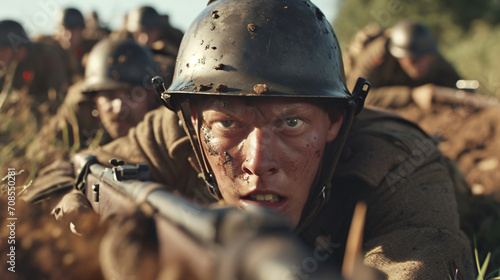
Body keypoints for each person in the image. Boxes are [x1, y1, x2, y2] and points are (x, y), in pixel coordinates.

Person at [27, 1, 474, 279]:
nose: (258, 161)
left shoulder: (400, 166)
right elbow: (68, 173)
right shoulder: (181, 131)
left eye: (292, 123)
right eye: (229, 124)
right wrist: (64, 218)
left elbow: (423, 255)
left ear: (337, 121)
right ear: (193, 122)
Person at [25, 38, 160, 169]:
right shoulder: (81, 107)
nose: (119, 108)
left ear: (151, 96)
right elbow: (40, 154)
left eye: (132, 95)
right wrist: (71, 166)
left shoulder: (165, 120)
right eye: (109, 95)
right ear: (94, 100)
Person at [344, 20, 462, 110]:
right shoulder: (376, 55)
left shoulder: (430, 53)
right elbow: (356, 96)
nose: (420, 65)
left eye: (425, 58)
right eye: (413, 61)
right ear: (398, 56)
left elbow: (457, 84)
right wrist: (411, 95)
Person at [0, 19, 69, 116]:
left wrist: (25, 103)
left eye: (2, 49)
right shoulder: (6, 65)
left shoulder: (45, 56)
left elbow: (59, 95)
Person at [35, 8, 100, 83]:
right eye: (66, 30)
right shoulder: (49, 49)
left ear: (81, 31)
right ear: (58, 31)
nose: (69, 36)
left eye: (74, 30)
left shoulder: (92, 48)